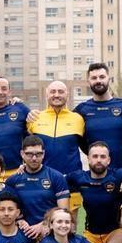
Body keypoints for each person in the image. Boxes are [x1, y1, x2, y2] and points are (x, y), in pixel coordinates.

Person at [65, 142, 122, 243]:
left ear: (108, 160)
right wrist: (23, 169)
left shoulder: (118, 175)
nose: (99, 160)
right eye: (95, 156)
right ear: (88, 159)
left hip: (115, 231)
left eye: (103, 157)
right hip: (91, 233)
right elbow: (54, 179)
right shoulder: (79, 177)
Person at [28, 80, 85, 221]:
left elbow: (87, 146)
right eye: (53, 92)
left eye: (61, 91)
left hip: (71, 183)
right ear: (47, 95)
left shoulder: (78, 119)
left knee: (69, 228)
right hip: (41, 182)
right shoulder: (34, 118)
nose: (56, 95)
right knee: (43, 226)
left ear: (67, 94)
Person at [75, 63, 122, 171]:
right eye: (94, 78)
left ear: (109, 79)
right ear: (88, 81)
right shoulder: (81, 110)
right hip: (96, 174)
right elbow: (78, 140)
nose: (98, 80)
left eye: (102, 77)